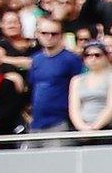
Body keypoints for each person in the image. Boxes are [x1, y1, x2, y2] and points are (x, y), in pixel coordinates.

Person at [24, 18, 83, 148]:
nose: (49, 37)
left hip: (60, 122)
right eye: (44, 33)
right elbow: (32, 88)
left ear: (61, 35)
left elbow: (80, 89)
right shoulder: (36, 59)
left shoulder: (71, 59)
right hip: (36, 123)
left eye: (54, 33)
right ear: (37, 34)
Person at [67, 39, 112, 145]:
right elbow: (74, 108)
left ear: (106, 56)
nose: (93, 58)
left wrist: (94, 128)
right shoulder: (76, 80)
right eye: (88, 55)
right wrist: (82, 127)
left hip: (105, 129)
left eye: (97, 55)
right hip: (81, 131)